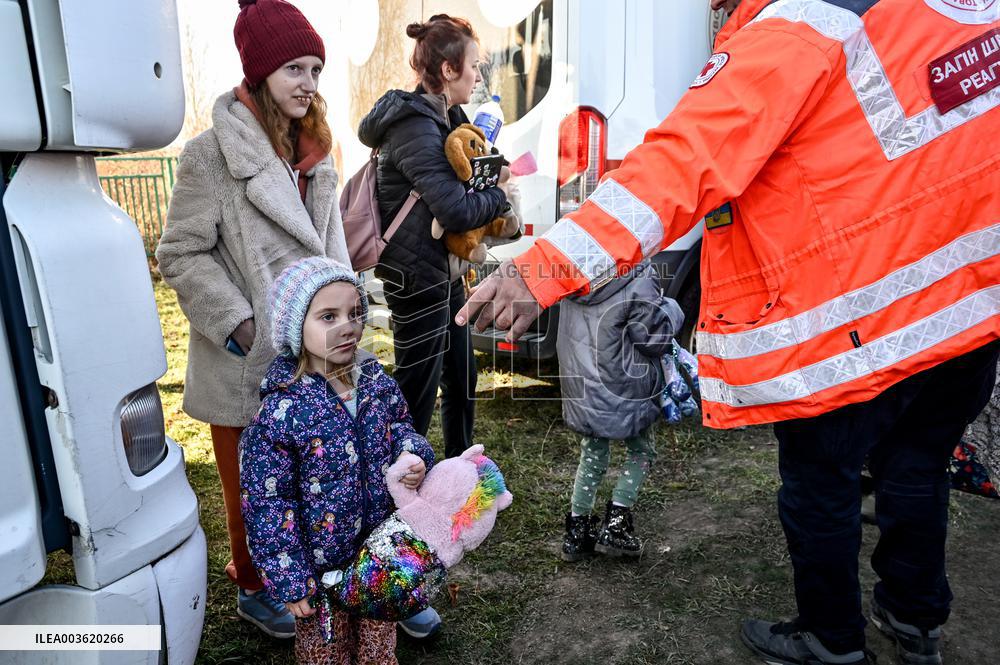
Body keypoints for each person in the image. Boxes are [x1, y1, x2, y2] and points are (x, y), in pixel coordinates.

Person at [457, 0, 1000, 663]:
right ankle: (915, 619)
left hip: (858, 325)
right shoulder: (954, 11)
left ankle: (832, 638)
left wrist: (545, 265)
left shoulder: (802, 22)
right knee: (918, 464)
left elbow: (683, 161)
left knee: (821, 482)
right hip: (970, 307)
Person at [156, 0, 349, 638]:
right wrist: (238, 323)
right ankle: (253, 586)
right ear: (260, 71)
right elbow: (179, 252)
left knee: (317, 477)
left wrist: (347, 314)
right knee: (251, 489)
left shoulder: (318, 152)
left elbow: (333, 247)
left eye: (316, 69)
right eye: (295, 68)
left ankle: (320, 576)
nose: (309, 83)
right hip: (247, 360)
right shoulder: (210, 155)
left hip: (317, 350)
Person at [239, 257, 435, 664]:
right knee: (325, 653)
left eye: (355, 312)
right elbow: (267, 502)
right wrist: (290, 578)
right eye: (328, 316)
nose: (348, 326)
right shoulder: (283, 411)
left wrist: (411, 453)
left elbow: (401, 425)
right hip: (320, 573)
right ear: (296, 327)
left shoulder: (375, 381)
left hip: (378, 557)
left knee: (378, 649)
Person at [356, 14, 509, 462]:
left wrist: (491, 175)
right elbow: (455, 209)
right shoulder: (414, 126)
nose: (478, 75)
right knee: (416, 394)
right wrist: (499, 196)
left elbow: (464, 183)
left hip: (444, 272)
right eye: (474, 66)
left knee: (462, 378)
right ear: (448, 69)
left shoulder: (449, 116)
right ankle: (397, 485)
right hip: (415, 276)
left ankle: (461, 470)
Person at [557, 262, 684, 561]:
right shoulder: (638, 274)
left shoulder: (570, 268)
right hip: (626, 385)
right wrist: (673, 309)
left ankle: (577, 531)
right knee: (642, 451)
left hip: (583, 381)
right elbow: (653, 338)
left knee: (592, 453)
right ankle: (616, 524)